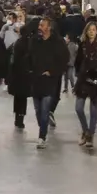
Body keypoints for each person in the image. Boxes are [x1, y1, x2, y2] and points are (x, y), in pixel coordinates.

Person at [26, 17, 69, 149]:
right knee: (38, 111)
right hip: (36, 80)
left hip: (50, 81)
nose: (39, 27)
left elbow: (64, 59)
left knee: (45, 110)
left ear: (49, 27)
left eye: (42, 25)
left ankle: (42, 137)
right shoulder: (34, 41)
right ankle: (43, 127)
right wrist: (29, 70)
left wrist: (52, 71)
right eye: (39, 25)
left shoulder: (58, 42)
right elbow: (29, 57)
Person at [71, 21, 97, 150]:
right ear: (86, 32)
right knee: (79, 108)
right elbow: (77, 62)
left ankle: (90, 135)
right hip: (83, 80)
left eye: (93, 30)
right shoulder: (82, 45)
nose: (91, 32)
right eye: (89, 30)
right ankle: (85, 130)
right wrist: (79, 73)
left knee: (93, 110)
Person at [6, 28, 34, 133]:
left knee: (18, 97)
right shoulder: (30, 44)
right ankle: (20, 118)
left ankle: (17, 118)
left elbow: (11, 59)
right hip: (26, 74)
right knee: (23, 98)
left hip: (17, 74)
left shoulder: (16, 44)